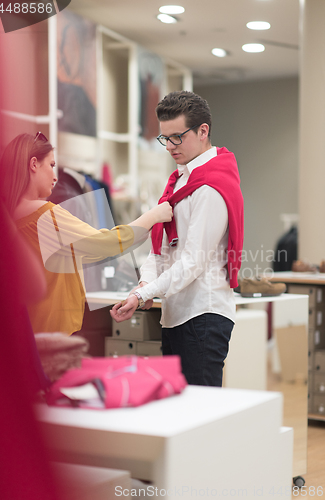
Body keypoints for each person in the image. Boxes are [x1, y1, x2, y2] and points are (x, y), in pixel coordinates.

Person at [111, 90, 244, 387]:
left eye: (177, 137)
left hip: (203, 313)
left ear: (203, 131)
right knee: (180, 414)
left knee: (200, 418)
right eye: (164, 138)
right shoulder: (179, 180)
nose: (169, 146)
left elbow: (192, 262)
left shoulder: (210, 186)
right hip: (175, 313)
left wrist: (143, 295)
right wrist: (144, 284)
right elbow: (158, 251)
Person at [0, 132, 172, 336]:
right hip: (51, 334)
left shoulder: (7, 218)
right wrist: (154, 215)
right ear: (34, 164)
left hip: (25, 331)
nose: (56, 177)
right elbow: (106, 243)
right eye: (52, 165)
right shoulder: (44, 216)